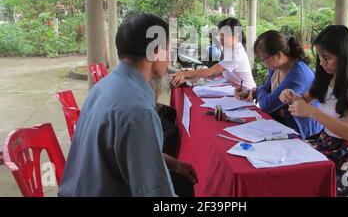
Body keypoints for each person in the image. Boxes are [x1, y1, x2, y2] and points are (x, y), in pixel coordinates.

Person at [59, 13, 197, 197]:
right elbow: (154, 192)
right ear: (155, 51)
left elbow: (121, 151)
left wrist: (174, 163)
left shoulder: (102, 87)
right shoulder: (138, 111)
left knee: (180, 180)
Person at [280, 25, 348, 197]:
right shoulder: (327, 77)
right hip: (327, 141)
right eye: (320, 57)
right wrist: (291, 96)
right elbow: (303, 100)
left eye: (327, 58)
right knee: (287, 167)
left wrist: (312, 112)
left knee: (318, 185)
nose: (322, 63)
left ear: (344, 56)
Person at [235, 30, 323, 139]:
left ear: (278, 55)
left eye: (264, 59)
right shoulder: (276, 68)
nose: (263, 63)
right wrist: (253, 91)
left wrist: (258, 89)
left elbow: (266, 105)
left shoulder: (297, 75)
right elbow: (266, 92)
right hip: (282, 121)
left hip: (300, 130)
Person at [172, 17, 256, 89]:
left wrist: (185, 74)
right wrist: (189, 76)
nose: (221, 38)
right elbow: (213, 74)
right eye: (220, 35)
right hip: (232, 88)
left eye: (225, 35)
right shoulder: (229, 47)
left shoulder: (237, 53)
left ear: (236, 36)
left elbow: (211, 72)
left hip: (247, 94)